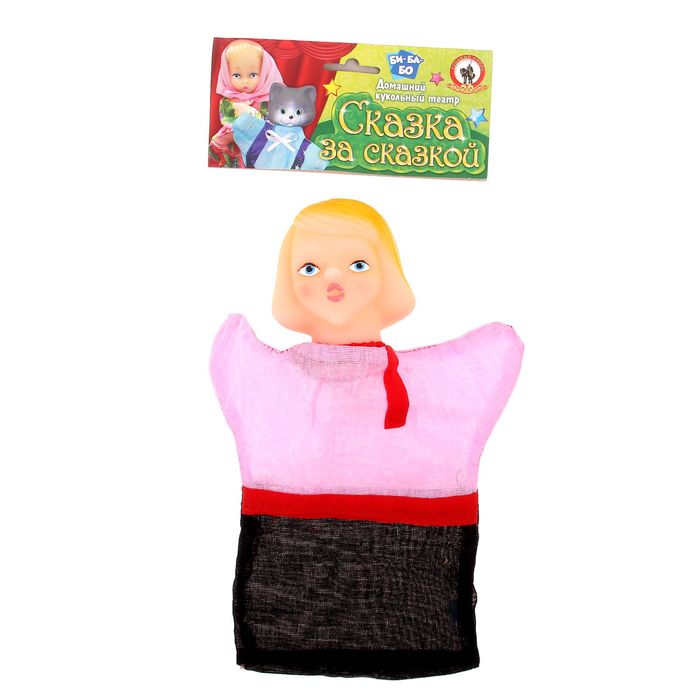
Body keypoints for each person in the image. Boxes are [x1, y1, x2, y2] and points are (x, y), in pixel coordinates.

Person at [210, 199, 524, 678]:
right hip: (373, 631)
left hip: (354, 630)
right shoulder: (255, 375)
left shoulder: (444, 384)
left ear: (389, 274)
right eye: (309, 268)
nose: (332, 280)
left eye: (358, 264)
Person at [208, 40, 283, 167]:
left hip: (259, 141)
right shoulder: (230, 98)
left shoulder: (267, 100)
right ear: (227, 74)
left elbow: (270, 121)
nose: (245, 81)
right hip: (235, 144)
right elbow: (227, 118)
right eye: (237, 75)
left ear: (264, 73)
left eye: (253, 75)